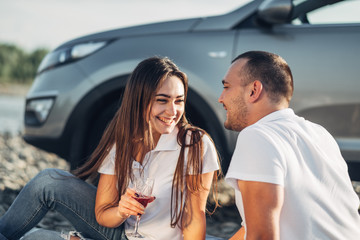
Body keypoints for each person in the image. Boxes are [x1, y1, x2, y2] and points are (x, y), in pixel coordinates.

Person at [0, 56, 221, 240]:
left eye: (179, 101)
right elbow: (103, 214)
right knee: (46, 183)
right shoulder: (123, 141)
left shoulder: (195, 145)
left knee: (36, 238)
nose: (172, 111)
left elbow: (194, 217)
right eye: (162, 100)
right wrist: (121, 210)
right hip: (122, 233)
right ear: (140, 100)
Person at [218, 51, 360, 239]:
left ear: (253, 90)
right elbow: (252, 227)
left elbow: (261, 236)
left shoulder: (257, 136)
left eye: (227, 87)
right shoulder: (320, 134)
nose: (221, 98)